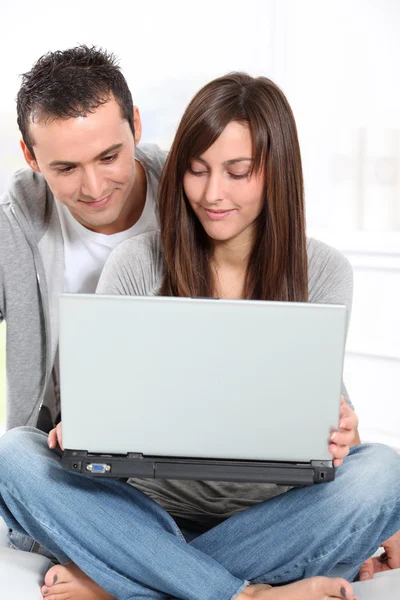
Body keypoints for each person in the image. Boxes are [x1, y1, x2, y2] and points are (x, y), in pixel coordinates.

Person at [0, 73, 399, 600]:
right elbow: (95, 403)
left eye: (238, 173)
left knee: (382, 472)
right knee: (16, 455)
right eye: (197, 171)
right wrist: (85, 424)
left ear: (275, 171)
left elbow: (326, 406)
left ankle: (128, 580)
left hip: (269, 513)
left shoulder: (323, 269)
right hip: (140, 508)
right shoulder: (135, 262)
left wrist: (342, 429)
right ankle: (245, 592)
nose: (214, 194)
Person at [0, 44, 166, 436]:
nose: (94, 188)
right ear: (31, 157)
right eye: (67, 168)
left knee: (342, 474)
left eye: (109, 157)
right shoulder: (16, 217)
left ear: (136, 126)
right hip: (66, 447)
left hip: (186, 440)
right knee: (13, 457)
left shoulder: (193, 191)